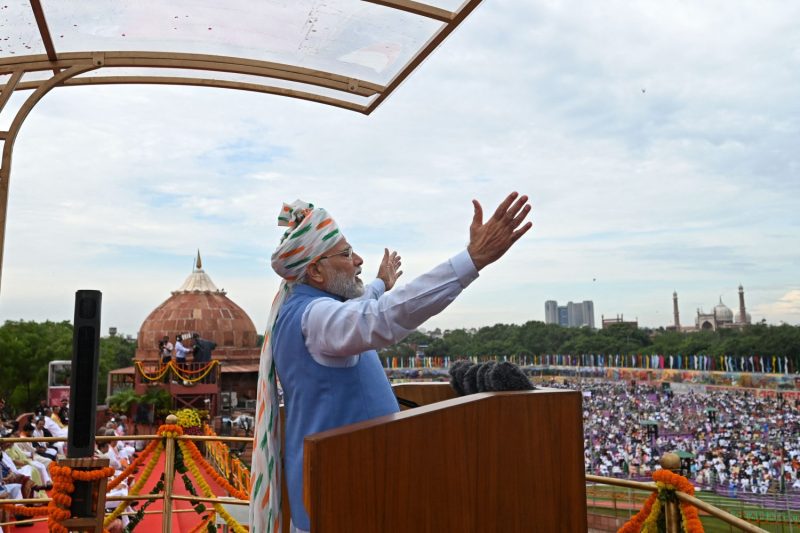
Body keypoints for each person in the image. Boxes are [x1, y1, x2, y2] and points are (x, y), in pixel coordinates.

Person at [250, 193, 532, 533]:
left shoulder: (309, 307)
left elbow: (364, 303)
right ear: (316, 270)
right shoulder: (317, 317)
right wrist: (471, 260)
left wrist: (382, 283)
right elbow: (377, 317)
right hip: (345, 502)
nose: (358, 260)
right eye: (346, 253)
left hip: (350, 494)